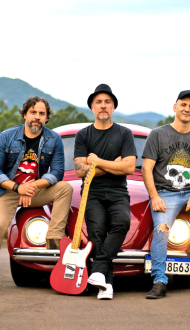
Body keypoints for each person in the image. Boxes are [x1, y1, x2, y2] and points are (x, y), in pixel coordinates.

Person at [143, 90, 190, 299]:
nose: (187, 109)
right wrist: (155, 196)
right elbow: (146, 169)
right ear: (175, 107)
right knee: (161, 229)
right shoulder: (157, 135)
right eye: (183, 104)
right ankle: (160, 281)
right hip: (165, 194)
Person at [0, 96, 72, 290]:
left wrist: (33, 186)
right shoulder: (7, 137)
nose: (37, 117)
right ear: (25, 114)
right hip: (8, 191)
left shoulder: (54, 139)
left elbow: (57, 172)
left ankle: (53, 239)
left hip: (36, 190)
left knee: (65, 189)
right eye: (33, 112)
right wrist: (19, 187)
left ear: (46, 118)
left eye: (41, 114)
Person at [74, 84, 137, 300]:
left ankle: (98, 270)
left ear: (113, 107)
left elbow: (129, 167)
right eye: (99, 102)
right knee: (97, 233)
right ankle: (106, 286)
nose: (103, 105)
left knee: (122, 222)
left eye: (107, 102)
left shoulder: (124, 133)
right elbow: (81, 171)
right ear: (92, 106)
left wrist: (97, 162)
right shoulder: (83, 135)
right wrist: (113, 164)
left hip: (118, 191)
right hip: (91, 192)